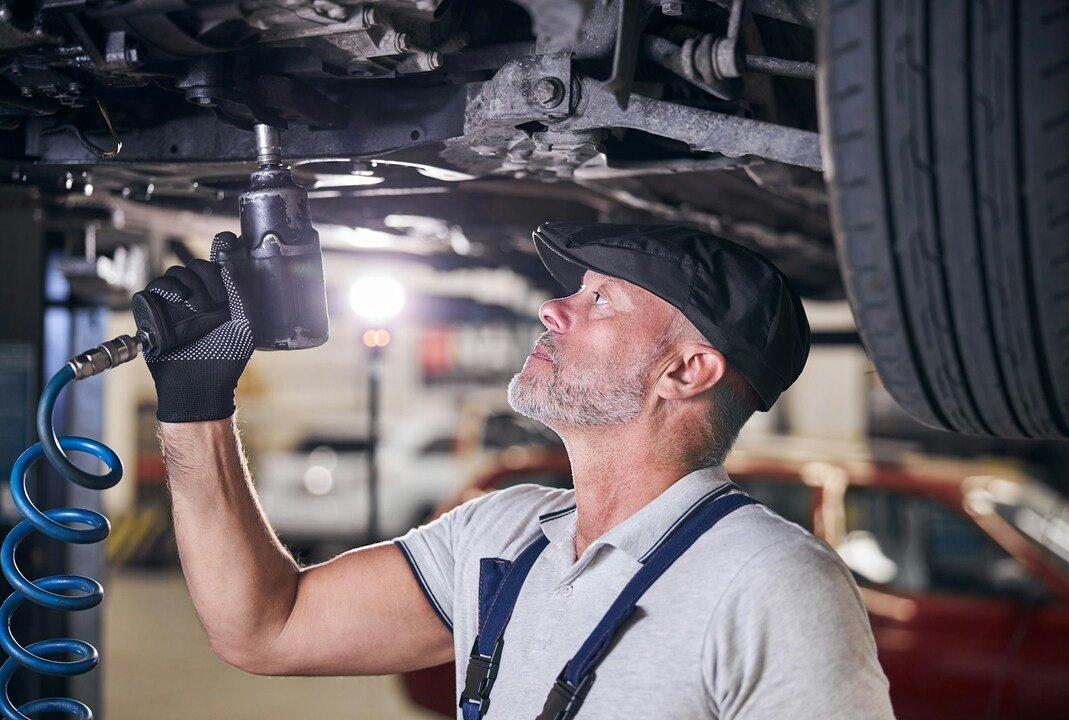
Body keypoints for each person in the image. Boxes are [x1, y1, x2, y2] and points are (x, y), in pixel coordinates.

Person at [143, 222, 895, 719]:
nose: (553, 310)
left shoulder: (770, 580)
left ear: (688, 370)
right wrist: (195, 399)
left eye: (600, 298)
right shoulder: (501, 534)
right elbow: (264, 629)